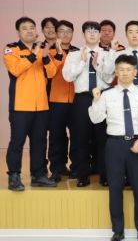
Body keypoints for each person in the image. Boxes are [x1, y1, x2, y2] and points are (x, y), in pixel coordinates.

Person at [89, 54, 138, 241]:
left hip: (137, 144)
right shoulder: (106, 94)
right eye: (121, 70)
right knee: (115, 188)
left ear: (135, 72)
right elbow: (96, 119)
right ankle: (117, 230)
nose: (125, 73)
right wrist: (95, 101)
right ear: (116, 72)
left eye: (128, 70)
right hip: (114, 145)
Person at [4, 17, 59, 190]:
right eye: (25, 28)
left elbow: (51, 73)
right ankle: (14, 176)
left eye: (32, 28)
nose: (29, 31)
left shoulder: (43, 49)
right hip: (20, 106)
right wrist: (34, 54)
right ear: (18, 32)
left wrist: (45, 56)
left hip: (41, 106)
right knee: (17, 142)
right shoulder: (11, 49)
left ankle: (38, 175)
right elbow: (16, 69)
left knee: (39, 142)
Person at [62, 21, 114, 186]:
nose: (92, 34)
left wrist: (97, 65)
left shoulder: (107, 54)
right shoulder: (74, 55)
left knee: (103, 138)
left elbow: (109, 78)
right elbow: (67, 77)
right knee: (80, 138)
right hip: (83, 98)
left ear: (100, 35)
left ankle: (105, 175)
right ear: (83, 34)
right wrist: (82, 62)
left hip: (102, 97)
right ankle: (82, 175)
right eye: (88, 31)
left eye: (95, 31)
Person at [47, 20, 78, 182]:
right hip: (56, 100)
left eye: (69, 31)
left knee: (77, 136)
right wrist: (58, 53)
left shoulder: (78, 52)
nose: (65, 34)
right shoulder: (49, 52)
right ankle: (57, 168)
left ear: (72, 33)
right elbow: (50, 73)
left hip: (75, 100)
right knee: (57, 136)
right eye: (62, 31)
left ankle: (76, 167)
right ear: (56, 33)